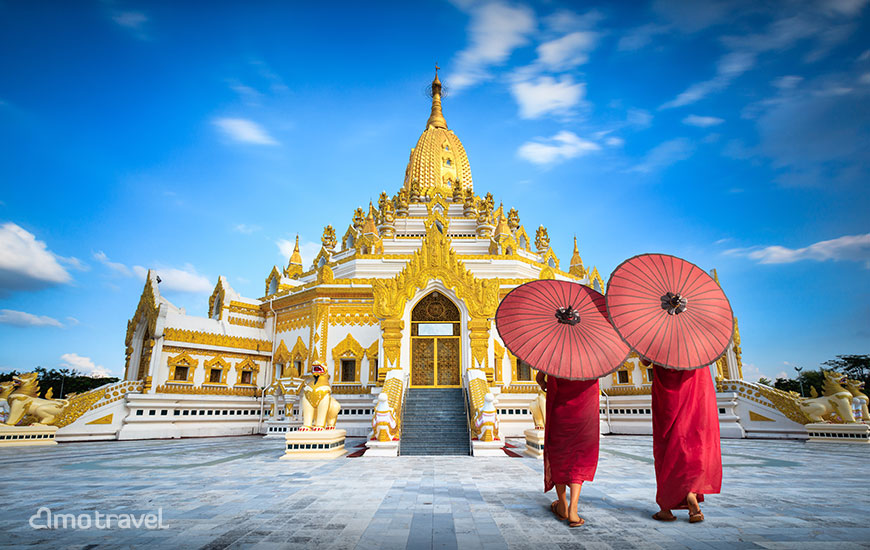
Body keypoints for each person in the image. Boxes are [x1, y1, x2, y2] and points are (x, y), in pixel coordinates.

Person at [644, 359, 722, 523]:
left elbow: (644, 361)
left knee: (667, 447)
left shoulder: (656, 335)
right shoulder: (696, 342)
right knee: (692, 443)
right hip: (695, 388)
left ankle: (666, 507)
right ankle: (691, 493)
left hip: (667, 396)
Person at [536, 370, 600, 527]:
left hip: (561, 413)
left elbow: (539, 378)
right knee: (579, 459)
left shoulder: (556, 355)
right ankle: (573, 509)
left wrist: (544, 383)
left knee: (560, 456)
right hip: (585, 415)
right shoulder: (592, 359)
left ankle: (562, 504)